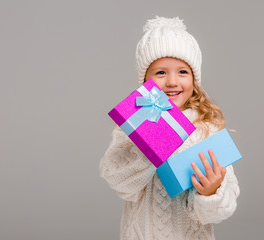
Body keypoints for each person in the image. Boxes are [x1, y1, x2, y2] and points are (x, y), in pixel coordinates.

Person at [99, 16, 240, 240]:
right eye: (161, 72)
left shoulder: (206, 130)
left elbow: (223, 208)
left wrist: (211, 191)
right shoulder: (131, 129)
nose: (172, 82)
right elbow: (117, 180)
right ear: (145, 80)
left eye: (182, 72)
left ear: (194, 79)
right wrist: (150, 144)